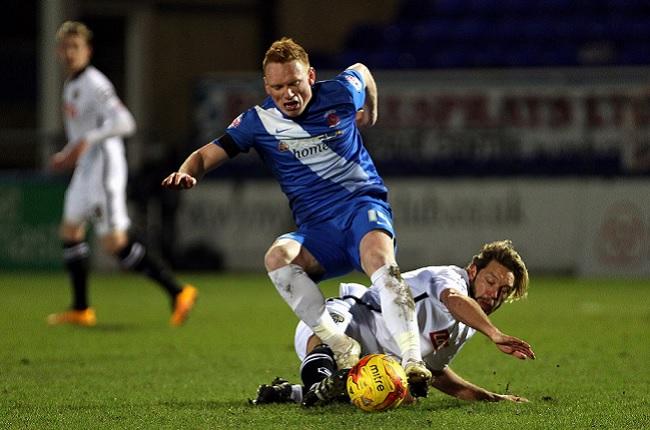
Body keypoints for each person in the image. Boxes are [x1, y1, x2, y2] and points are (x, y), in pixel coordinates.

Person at [162, 37, 431, 392]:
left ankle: (413, 360)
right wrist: (187, 171)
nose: (287, 94)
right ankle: (340, 345)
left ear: (311, 76)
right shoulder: (258, 122)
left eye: (295, 83)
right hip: (319, 232)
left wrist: (373, 110)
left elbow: (363, 71)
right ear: (266, 86)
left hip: (362, 208)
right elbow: (207, 153)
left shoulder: (338, 93)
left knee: (381, 262)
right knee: (278, 257)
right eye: (277, 87)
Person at [251, 240, 535, 406]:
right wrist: (494, 334)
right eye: (490, 281)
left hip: (372, 364)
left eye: (504, 291)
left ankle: (293, 392)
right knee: (333, 342)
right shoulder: (451, 278)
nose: (494, 294)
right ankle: (319, 382)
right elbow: (452, 299)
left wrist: (493, 398)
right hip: (346, 318)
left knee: (397, 395)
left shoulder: (465, 328)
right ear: (473, 271)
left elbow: (435, 372)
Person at [47, 21, 197, 327]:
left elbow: (126, 122)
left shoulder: (94, 83)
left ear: (87, 51)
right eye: (65, 47)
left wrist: (89, 140)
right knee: (70, 230)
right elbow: (83, 130)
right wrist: (69, 151)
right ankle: (80, 309)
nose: (69, 53)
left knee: (114, 242)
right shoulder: (71, 84)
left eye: (75, 47)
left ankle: (178, 290)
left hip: (104, 166)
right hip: (86, 167)